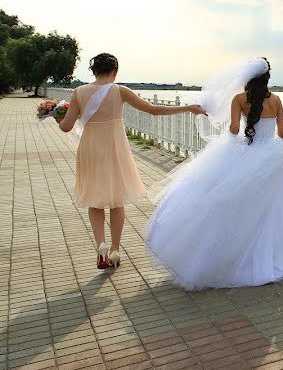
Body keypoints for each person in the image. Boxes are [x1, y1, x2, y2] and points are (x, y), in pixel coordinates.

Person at [145, 58, 283, 290]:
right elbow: (282, 132)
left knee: (234, 202)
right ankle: (272, 253)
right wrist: (270, 144)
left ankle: (231, 254)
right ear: (267, 79)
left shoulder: (239, 99)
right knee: (271, 205)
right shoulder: (275, 100)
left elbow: (234, 130)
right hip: (270, 156)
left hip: (248, 151)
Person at [57, 53, 205, 269]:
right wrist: (188, 108)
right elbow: (154, 110)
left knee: (94, 199)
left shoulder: (79, 92)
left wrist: (56, 115)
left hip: (90, 149)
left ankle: (101, 246)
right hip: (115, 149)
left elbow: (66, 127)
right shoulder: (120, 91)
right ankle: (115, 249)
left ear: (93, 71)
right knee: (117, 200)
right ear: (115, 71)